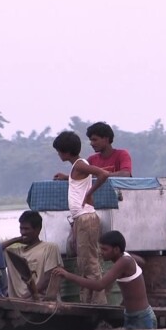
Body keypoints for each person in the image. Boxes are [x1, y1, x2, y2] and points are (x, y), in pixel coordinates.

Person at [52, 231, 157, 330]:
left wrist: (68, 275)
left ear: (116, 250)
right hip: (131, 315)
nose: (100, 252)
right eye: (100, 248)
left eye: (104, 249)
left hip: (141, 318)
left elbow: (99, 285)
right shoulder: (125, 257)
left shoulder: (124, 261)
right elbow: (141, 261)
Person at [52, 130, 110, 304]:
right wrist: (66, 178)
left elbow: (103, 174)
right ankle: (87, 300)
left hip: (85, 218)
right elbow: (80, 181)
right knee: (84, 262)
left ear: (66, 152)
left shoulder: (79, 165)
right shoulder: (77, 167)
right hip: (81, 218)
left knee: (90, 263)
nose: (58, 155)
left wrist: (89, 193)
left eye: (59, 151)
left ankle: (98, 303)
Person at [1, 210, 63, 299]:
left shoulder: (49, 248)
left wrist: (27, 296)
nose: (23, 232)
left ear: (38, 230)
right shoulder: (14, 252)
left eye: (26, 229)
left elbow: (48, 279)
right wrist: (16, 240)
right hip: (17, 302)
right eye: (21, 228)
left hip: (40, 300)